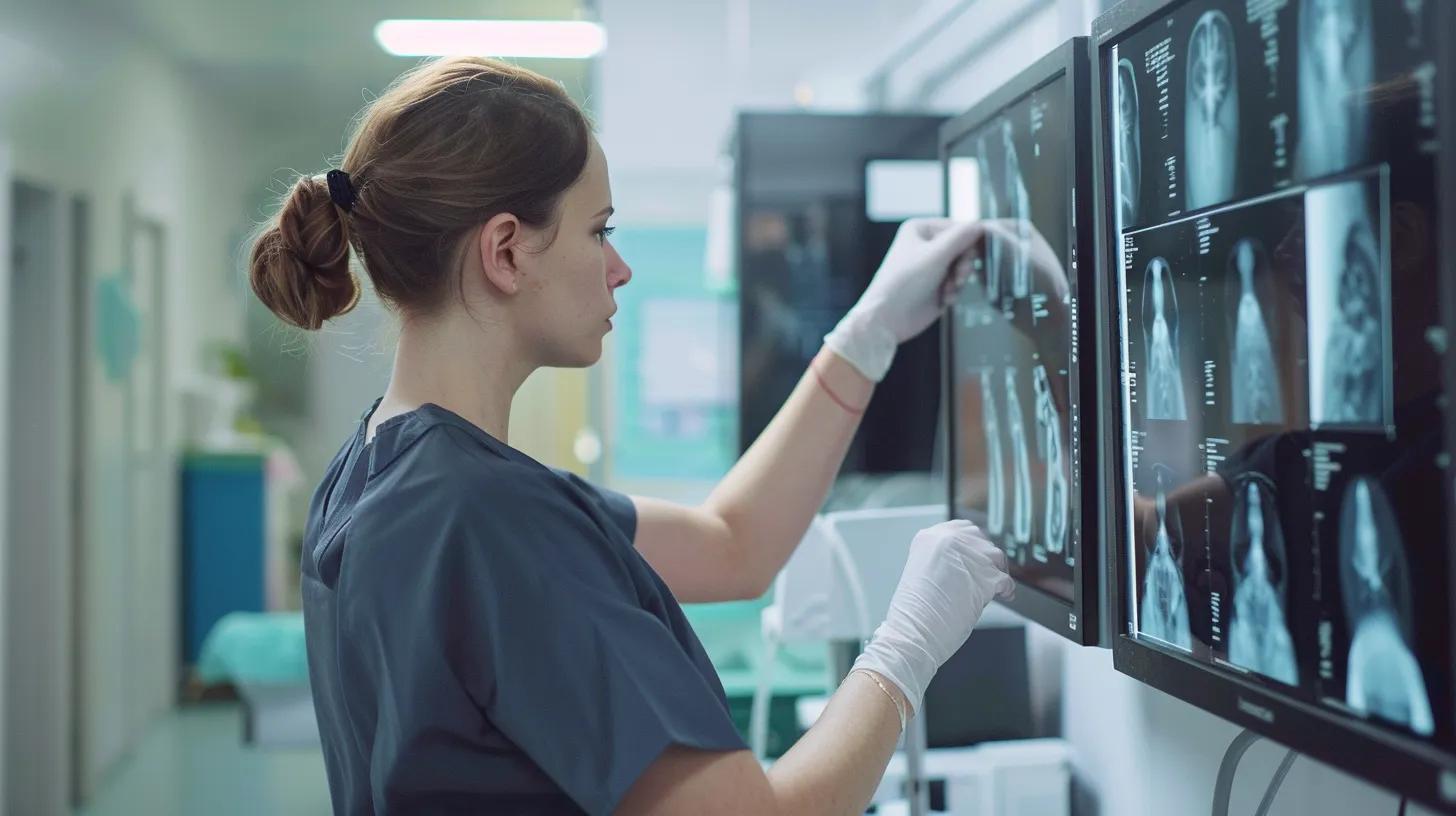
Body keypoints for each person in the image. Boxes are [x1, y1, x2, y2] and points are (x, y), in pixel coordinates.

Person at [249, 56, 1013, 816]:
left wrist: (866, 334)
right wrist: (904, 652)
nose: (620, 268)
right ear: (506, 250)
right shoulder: (491, 520)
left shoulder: (375, 474)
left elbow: (731, 545)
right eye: (598, 230)